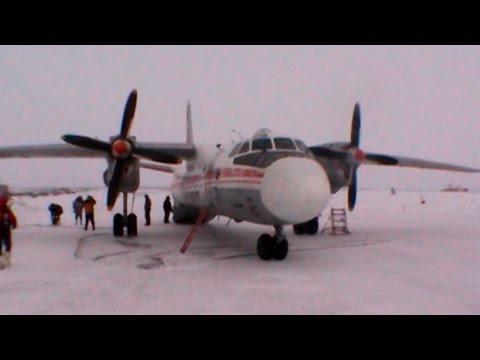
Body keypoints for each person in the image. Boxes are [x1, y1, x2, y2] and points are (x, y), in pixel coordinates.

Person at [0, 195, 17, 268]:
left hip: (4, 229)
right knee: (8, 244)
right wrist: (14, 224)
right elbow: (12, 218)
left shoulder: (6, 210)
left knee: (4, 245)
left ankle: (3, 261)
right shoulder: (7, 210)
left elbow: (12, 218)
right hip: (6, 229)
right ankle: (5, 260)